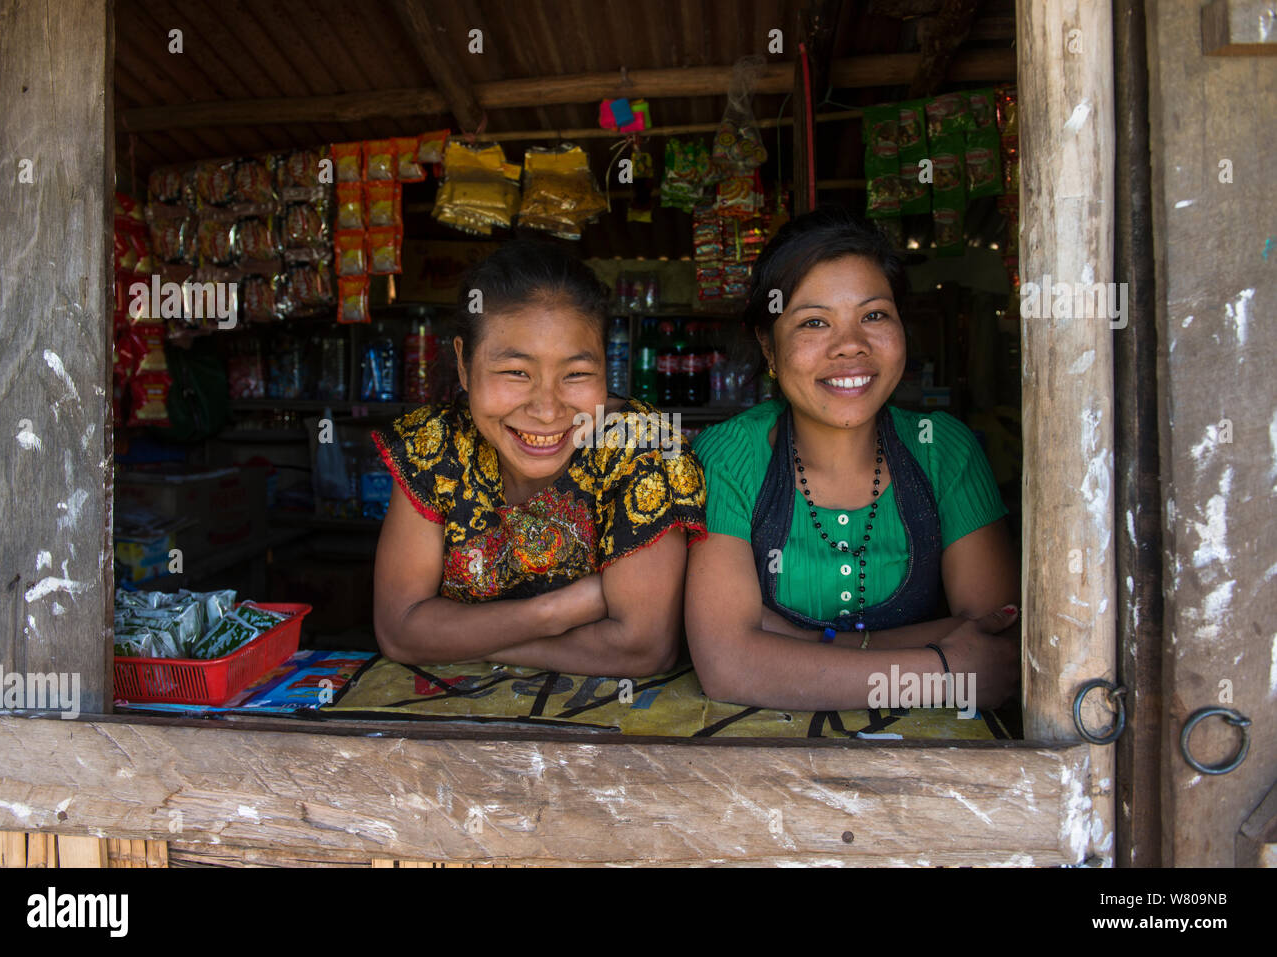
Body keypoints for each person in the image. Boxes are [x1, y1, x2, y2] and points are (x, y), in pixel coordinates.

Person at [685, 207, 1020, 712]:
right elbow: (729, 666)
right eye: (814, 322)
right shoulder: (728, 458)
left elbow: (998, 646)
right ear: (768, 348)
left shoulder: (944, 450)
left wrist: (799, 642)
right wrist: (945, 671)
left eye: (874, 315)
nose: (850, 346)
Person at [372, 240, 707, 677]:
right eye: (515, 372)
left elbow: (640, 649)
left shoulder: (642, 451)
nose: (547, 410)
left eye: (577, 374)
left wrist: (460, 639)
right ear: (462, 362)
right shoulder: (434, 447)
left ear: (608, 368)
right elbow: (399, 632)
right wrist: (555, 612)